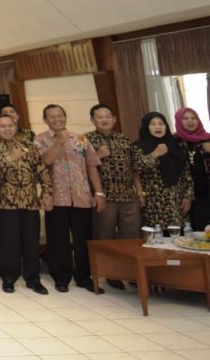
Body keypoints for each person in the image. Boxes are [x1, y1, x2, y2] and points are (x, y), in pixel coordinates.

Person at [35, 104, 104, 293]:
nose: (57, 119)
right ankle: (61, 277)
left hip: (81, 196)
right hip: (56, 197)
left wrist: (98, 192)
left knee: (83, 239)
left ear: (65, 117)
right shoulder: (40, 140)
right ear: (46, 120)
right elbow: (45, 161)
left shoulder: (81, 139)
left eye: (60, 116)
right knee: (58, 240)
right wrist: (59, 142)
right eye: (52, 117)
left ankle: (84, 277)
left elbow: (91, 165)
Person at [85, 104, 155, 270]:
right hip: (105, 196)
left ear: (114, 119)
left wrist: (139, 191)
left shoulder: (124, 139)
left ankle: (131, 271)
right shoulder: (85, 140)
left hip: (128, 195)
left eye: (107, 116)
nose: (104, 120)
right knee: (104, 235)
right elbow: (82, 167)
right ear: (92, 120)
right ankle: (108, 272)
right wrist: (98, 156)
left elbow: (133, 168)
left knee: (131, 236)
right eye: (100, 117)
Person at [0, 115, 52, 295]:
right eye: (3, 126)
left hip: (30, 202)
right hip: (5, 203)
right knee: (9, 243)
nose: (7, 129)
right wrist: (9, 159)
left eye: (10, 125)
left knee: (31, 242)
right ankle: (8, 277)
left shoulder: (28, 146)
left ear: (16, 127)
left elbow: (41, 170)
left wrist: (47, 192)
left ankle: (33, 278)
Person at [135, 112, 193, 234]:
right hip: (154, 202)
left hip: (177, 201)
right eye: (153, 124)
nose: (158, 127)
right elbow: (137, 168)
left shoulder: (175, 145)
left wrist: (188, 196)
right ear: (146, 127)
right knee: (158, 240)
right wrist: (154, 155)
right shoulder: (138, 147)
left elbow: (186, 173)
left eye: (161, 124)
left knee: (180, 238)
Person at [175, 108, 210, 231]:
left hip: (206, 194)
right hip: (184, 197)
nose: (190, 121)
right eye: (185, 118)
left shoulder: (208, 140)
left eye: (193, 118)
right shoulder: (174, 142)